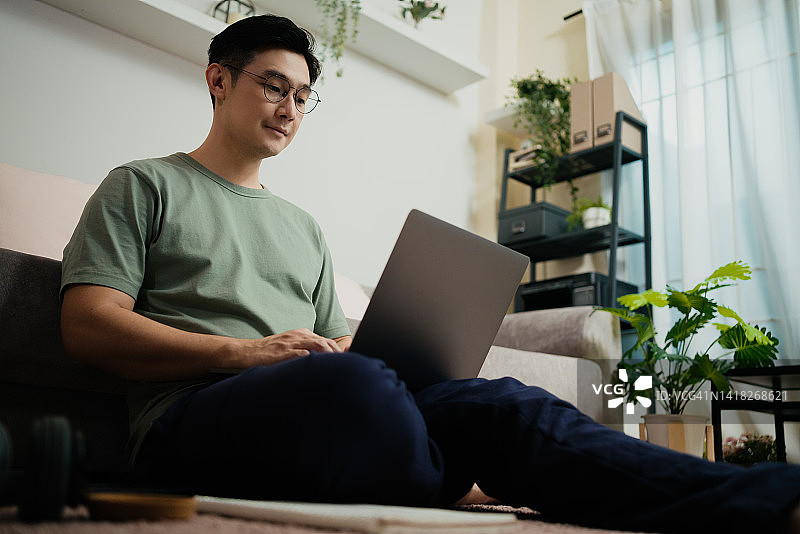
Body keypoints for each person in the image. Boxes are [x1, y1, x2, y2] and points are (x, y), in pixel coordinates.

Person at [60, 14, 800, 534]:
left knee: (502, 402)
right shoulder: (144, 185)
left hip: (326, 408)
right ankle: (447, 468)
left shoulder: (302, 227)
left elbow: (335, 345)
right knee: (358, 387)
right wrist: (243, 352)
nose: (291, 108)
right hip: (193, 420)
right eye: (274, 86)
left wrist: (362, 356)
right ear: (219, 81)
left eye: (304, 95)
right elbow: (88, 325)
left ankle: (767, 499)